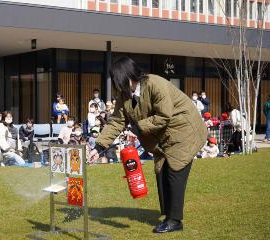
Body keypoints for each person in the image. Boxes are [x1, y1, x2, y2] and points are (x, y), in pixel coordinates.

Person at [89, 57, 207, 233]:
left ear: (127, 75)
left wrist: (138, 127)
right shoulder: (124, 94)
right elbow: (116, 122)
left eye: (116, 78)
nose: (115, 82)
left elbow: (164, 115)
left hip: (184, 130)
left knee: (175, 171)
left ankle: (175, 221)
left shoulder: (155, 83)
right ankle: (169, 214)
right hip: (164, 136)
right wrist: (98, 148)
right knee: (161, 171)